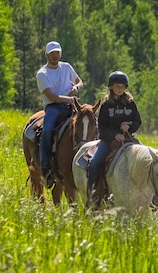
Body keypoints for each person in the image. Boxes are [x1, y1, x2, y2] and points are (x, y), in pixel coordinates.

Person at [87, 70, 142, 205]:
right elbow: (102, 127)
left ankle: (150, 197)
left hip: (129, 139)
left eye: (122, 87)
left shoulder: (130, 103)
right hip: (108, 141)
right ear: (111, 87)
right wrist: (114, 135)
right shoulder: (106, 105)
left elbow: (138, 121)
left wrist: (129, 126)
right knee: (94, 163)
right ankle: (92, 196)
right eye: (117, 86)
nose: (120, 89)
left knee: (147, 160)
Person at [36, 41, 83, 187]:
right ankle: (46, 169)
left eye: (57, 53)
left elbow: (79, 81)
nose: (55, 56)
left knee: (89, 125)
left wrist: (76, 88)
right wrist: (69, 98)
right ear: (47, 55)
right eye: (52, 53)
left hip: (71, 104)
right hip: (53, 108)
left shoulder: (67, 67)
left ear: (60, 53)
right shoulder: (42, 74)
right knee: (47, 131)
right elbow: (51, 96)